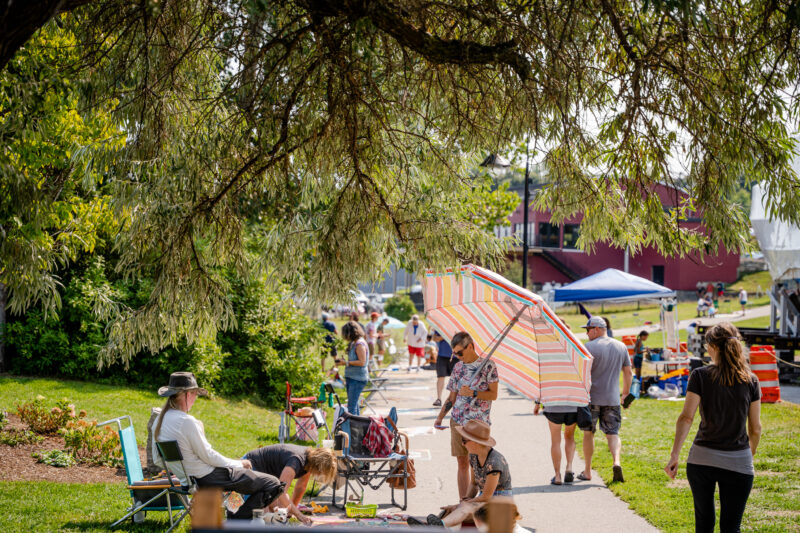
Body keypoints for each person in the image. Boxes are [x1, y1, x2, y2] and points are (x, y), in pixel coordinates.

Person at [665, 323, 762, 533]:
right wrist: (749, 455)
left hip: (702, 459)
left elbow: (686, 418)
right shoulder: (751, 380)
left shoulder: (700, 375)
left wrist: (674, 455)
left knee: (704, 523)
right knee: (731, 527)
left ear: (711, 347)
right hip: (739, 461)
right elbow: (755, 428)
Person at [152, 372, 286, 520]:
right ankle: (237, 522)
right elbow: (208, 456)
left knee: (247, 483)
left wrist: (182, 471)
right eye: (195, 394)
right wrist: (239, 463)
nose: (196, 399)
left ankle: (235, 516)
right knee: (273, 484)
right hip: (207, 478)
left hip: (190, 480)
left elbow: (158, 460)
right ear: (187, 395)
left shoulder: (159, 420)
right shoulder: (186, 421)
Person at [408, 420, 511, 528]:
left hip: (500, 504)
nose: (462, 444)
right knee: (451, 510)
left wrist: (462, 504)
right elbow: (473, 484)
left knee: (464, 509)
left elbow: (486, 496)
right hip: (485, 501)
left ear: (476, 442)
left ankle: (439, 526)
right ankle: (431, 526)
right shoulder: (473, 456)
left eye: (464, 441)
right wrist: (463, 501)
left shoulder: (495, 462)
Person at [433, 332, 499, 499]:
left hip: (478, 424)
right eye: (454, 353)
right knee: (462, 463)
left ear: (470, 346)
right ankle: (463, 503)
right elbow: (452, 397)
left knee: (476, 464)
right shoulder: (458, 367)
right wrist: (440, 417)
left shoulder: (488, 366)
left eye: (459, 352)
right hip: (458, 421)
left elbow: (493, 395)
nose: (456, 356)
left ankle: (476, 503)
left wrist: (474, 392)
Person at [577, 316, 632, 483]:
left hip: (591, 398)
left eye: (587, 330)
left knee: (589, 433)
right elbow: (628, 373)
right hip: (612, 398)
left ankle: (587, 471)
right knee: (613, 433)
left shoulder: (588, 347)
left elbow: (581, 373)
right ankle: (616, 462)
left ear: (596, 329)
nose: (586, 334)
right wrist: (625, 394)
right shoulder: (621, 346)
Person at [243, 444, 337, 523]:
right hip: (249, 466)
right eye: (321, 472)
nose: (319, 475)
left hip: (265, 477)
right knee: (264, 516)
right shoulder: (296, 461)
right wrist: (298, 514)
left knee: (277, 512)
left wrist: (290, 512)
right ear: (318, 466)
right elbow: (281, 491)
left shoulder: (308, 462)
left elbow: (301, 487)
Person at [534, 401, 577, 485]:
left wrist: (537, 404)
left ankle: (557, 476)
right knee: (570, 437)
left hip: (553, 407)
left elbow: (541, 388)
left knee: (555, 441)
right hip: (573, 407)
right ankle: (569, 467)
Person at [338, 321, 369, 415]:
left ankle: (351, 428)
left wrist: (346, 362)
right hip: (352, 377)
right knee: (354, 406)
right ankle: (357, 427)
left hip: (357, 379)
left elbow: (362, 362)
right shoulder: (354, 343)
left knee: (351, 407)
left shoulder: (359, 344)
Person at [432, 329, 455, 407]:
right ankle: (439, 399)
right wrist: (444, 336)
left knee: (456, 379)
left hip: (456, 356)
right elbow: (434, 338)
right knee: (440, 376)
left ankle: (453, 400)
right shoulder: (440, 325)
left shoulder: (457, 324)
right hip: (442, 355)